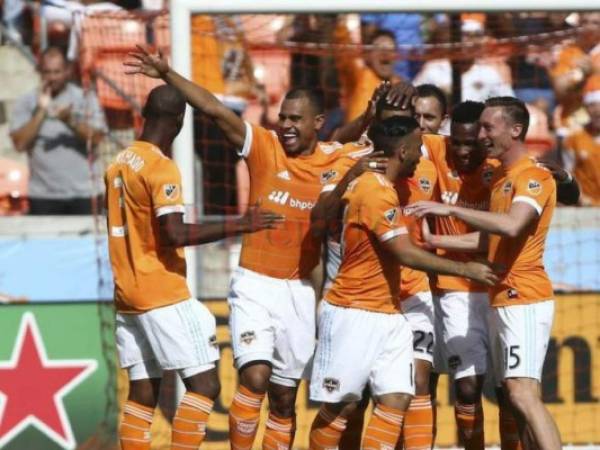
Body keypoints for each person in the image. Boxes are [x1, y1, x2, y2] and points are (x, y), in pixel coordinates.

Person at [124, 45, 385, 450]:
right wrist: (167, 73)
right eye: (282, 117)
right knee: (254, 377)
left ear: (318, 122)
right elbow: (213, 108)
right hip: (254, 285)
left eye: (295, 119)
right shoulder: (264, 147)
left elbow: (390, 147)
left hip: (300, 290)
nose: (285, 125)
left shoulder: (339, 158)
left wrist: (376, 112)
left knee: (284, 399)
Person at [105, 84, 282, 450]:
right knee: (205, 385)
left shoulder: (119, 161)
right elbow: (174, 233)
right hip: (161, 290)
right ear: (179, 122)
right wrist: (241, 223)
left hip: (127, 292)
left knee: (143, 389)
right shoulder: (160, 167)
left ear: (145, 114)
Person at [308, 116, 498, 450]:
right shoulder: (373, 191)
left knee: (398, 397)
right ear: (404, 150)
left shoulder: (386, 187)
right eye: (418, 148)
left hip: (390, 311)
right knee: (344, 405)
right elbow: (404, 253)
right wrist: (468, 270)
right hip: (354, 311)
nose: (422, 155)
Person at [410, 96, 564, 450]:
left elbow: (512, 225)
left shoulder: (532, 177)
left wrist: (447, 208)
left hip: (523, 296)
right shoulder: (501, 177)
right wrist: (436, 238)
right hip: (502, 295)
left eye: (488, 127)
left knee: (522, 394)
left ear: (516, 130)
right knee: (517, 395)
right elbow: (490, 237)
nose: (481, 135)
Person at [9, 46, 107, 215]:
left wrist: (69, 120)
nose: (52, 77)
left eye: (57, 72)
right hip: (43, 196)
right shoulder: (26, 102)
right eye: (47, 72)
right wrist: (41, 112)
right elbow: (19, 143)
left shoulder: (84, 98)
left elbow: (97, 137)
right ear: (39, 71)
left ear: (67, 71)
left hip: (84, 193)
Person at [563, 74, 600, 205]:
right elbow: (568, 175)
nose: (597, 110)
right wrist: (581, 198)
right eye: (592, 105)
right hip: (587, 209)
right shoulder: (573, 138)